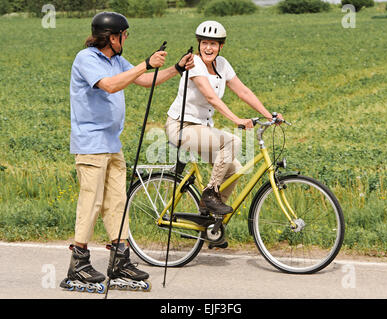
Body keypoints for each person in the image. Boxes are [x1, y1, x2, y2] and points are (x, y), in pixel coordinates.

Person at [60, 12, 194, 293]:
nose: (127, 39)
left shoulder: (116, 60)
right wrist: (145, 63)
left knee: (117, 204)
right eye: (124, 35)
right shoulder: (85, 59)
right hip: (90, 145)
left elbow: (143, 81)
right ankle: (79, 263)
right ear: (112, 37)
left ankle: (119, 261)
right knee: (92, 202)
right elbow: (110, 86)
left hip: (112, 144)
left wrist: (176, 68)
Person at [165, 20, 283, 216]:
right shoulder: (194, 64)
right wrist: (236, 120)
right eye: (204, 43)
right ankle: (210, 194)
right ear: (199, 44)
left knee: (234, 169)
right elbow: (210, 96)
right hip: (181, 127)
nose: (208, 48)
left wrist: (268, 114)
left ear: (221, 46)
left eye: (213, 44)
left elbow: (243, 91)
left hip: (202, 128)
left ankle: (210, 221)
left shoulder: (222, 64)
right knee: (231, 141)